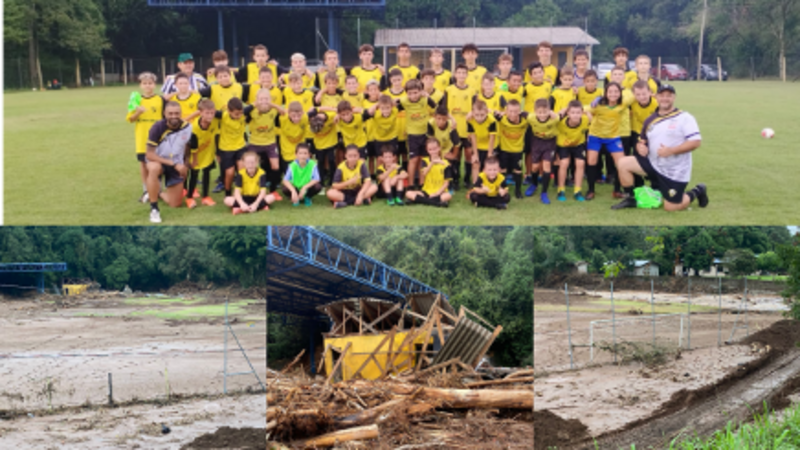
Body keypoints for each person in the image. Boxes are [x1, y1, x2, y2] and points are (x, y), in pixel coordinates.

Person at [612, 84, 708, 211]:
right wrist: (641, 147)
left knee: (670, 207)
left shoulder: (685, 118)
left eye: (669, 96)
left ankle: (698, 190)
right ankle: (631, 198)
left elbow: (695, 142)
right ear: (656, 97)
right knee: (622, 163)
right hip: (653, 164)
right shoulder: (650, 120)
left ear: (674, 97)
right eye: (662, 95)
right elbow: (642, 141)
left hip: (674, 171)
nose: (665, 98)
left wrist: (671, 151)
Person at [144, 101, 193, 223]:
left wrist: (185, 165)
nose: (174, 116)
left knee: (175, 204)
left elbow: (187, 147)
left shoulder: (187, 127)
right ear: (165, 114)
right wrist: (174, 164)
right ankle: (154, 209)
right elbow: (149, 154)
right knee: (154, 168)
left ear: (181, 113)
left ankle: (157, 192)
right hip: (158, 160)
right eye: (170, 113)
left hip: (176, 163)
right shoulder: (157, 128)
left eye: (176, 113)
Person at [585, 81, 633, 200]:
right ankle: (590, 190)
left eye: (616, 91)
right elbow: (585, 108)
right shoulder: (599, 105)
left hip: (613, 137)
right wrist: (593, 105)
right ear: (605, 93)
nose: (613, 94)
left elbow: (633, 96)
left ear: (620, 93)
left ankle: (616, 190)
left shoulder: (623, 103)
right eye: (610, 91)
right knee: (591, 161)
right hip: (595, 137)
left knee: (621, 163)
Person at [127, 72, 166, 203]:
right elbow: (130, 119)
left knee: (157, 163)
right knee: (143, 164)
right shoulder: (136, 100)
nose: (148, 86)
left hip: (157, 139)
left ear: (154, 85)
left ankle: (157, 189)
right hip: (142, 137)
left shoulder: (160, 100)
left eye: (150, 83)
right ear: (140, 85)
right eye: (145, 83)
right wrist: (138, 112)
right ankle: (146, 190)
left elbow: (166, 118)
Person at [398, 79, 438, 190]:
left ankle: (421, 183)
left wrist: (428, 96)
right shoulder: (404, 101)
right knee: (413, 160)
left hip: (425, 134)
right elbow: (393, 105)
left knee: (423, 159)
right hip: (412, 135)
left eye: (415, 93)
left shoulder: (425, 99)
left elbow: (435, 106)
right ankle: (410, 184)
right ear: (406, 93)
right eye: (410, 93)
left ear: (420, 91)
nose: (413, 96)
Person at [441, 64, 475, 189]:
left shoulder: (471, 91)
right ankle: (455, 178)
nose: (461, 75)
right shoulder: (449, 89)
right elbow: (444, 109)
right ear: (455, 75)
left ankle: (467, 178)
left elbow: (475, 108)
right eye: (459, 73)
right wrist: (451, 118)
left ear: (467, 75)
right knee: (456, 153)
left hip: (467, 129)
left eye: (463, 73)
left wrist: (471, 112)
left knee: (468, 153)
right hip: (453, 128)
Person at [246, 89, 282, 197]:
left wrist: (274, 105)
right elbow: (242, 112)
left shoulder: (274, 110)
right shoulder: (252, 111)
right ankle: (255, 189)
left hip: (270, 143)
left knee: (275, 166)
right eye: (261, 99)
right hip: (255, 143)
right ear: (257, 100)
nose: (264, 101)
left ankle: (273, 191)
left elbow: (284, 112)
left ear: (270, 99)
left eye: (266, 99)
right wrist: (253, 105)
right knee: (252, 167)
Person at [216, 97, 254, 198]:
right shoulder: (223, 116)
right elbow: (206, 111)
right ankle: (228, 193)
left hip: (240, 147)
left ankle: (241, 192)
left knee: (242, 170)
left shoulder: (243, 114)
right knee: (230, 173)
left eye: (241, 113)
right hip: (226, 149)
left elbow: (254, 105)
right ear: (229, 111)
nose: (239, 116)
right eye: (236, 114)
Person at [525, 99, 560, 203]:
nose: (542, 115)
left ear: (549, 110)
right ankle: (534, 184)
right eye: (540, 112)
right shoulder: (531, 117)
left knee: (547, 166)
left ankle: (544, 192)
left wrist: (554, 114)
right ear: (535, 111)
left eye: (545, 112)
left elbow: (560, 116)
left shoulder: (555, 118)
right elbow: (520, 113)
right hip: (537, 142)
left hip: (550, 143)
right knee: (535, 167)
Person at [187, 99, 220, 208]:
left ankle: (205, 197)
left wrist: (217, 153)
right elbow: (194, 147)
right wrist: (195, 160)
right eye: (207, 113)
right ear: (200, 113)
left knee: (207, 172)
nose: (210, 116)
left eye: (212, 113)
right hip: (196, 153)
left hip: (208, 152)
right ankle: (189, 197)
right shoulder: (194, 128)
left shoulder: (215, 121)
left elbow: (216, 136)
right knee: (194, 174)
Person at [555, 101, 590, 202]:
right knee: (564, 163)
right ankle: (561, 190)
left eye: (578, 112)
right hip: (563, 145)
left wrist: (589, 114)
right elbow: (552, 120)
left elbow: (591, 120)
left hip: (579, 144)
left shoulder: (585, 119)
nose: (575, 115)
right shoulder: (561, 122)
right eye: (573, 112)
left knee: (580, 163)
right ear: (568, 113)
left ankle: (577, 191)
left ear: (582, 113)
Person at [494, 99, 529, 198]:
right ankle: (504, 190)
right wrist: (500, 112)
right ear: (506, 111)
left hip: (517, 151)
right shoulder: (501, 119)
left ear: (519, 111)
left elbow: (534, 116)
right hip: (504, 149)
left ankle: (518, 191)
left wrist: (525, 113)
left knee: (517, 170)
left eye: (515, 111)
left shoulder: (525, 121)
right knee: (503, 170)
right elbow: (488, 111)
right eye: (510, 111)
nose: (513, 114)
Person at [405, 139, 453, 207]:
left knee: (448, 196)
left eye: (435, 149)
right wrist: (432, 162)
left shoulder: (446, 163)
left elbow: (446, 183)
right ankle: (436, 203)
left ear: (439, 148)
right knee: (408, 193)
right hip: (426, 190)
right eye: (430, 149)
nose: (433, 151)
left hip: (440, 191)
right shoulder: (425, 161)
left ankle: (421, 200)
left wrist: (437, 193)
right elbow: (424, 173)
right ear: (427, 150)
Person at [275, 101, 311, 185]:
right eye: (293, 116)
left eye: (299, 115)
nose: (296, 118)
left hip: (300, 152)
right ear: (289, 113)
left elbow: (317, 110)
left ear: (302, 112)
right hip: (286, 151)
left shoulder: (305, 117)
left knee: (302, 175)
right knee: (290, 177)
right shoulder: (283, 118)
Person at [426, 105, 461, 190]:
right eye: (438, 118)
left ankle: (452, 181)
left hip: (447, 148)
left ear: (447, 119)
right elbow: (430, 142)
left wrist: (453, 156)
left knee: (450, 163)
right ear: (434, 116)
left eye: (444, 119)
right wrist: (437, 154)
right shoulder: (430, 123)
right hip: (435, 149)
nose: (441, 121)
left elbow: (457, 144)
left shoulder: (451, 126)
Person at [467, 99, 497, 185]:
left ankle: (488, 185)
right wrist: (475, 154)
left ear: (487, 112)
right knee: (475, 164)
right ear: (472, 112)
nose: (479, 118)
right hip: (477, 145)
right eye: (476, 115)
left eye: (482, 115)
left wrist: (490, 153)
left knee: (488, 166)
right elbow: (473, 138)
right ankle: (475, 185)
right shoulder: (470, 120)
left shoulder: (492, 121)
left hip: (489, 146)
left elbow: (492, 138)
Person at [383, 69, 408, 163]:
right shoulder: (386, 93)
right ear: (390, 80)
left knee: (405, 154)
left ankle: (405, 175)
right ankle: (396, 174)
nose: (397, 82)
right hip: (392, 130)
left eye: (398, 80)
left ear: (402, 79)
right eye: (394, 80)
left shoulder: (407, 93)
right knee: (394, 155)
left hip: (405, 128)